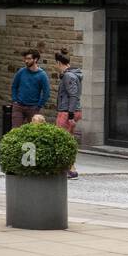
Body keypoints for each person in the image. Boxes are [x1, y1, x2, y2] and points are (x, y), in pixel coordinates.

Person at [54, 50, 83, 179]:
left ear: (59, 63)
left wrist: (70, 116)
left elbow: (73, 95)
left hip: (67, 112)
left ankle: (69, 169)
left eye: (56, 64)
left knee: (61, 140)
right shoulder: (71, 75)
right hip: (70, 111)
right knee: (68, 140)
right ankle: (70, 168)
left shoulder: (68, 76)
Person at [10, 49, 50, 127]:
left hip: (33, 108)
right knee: (15, 131)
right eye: (25, 59)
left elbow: (46, 92)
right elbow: (14, 86)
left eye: (29, 59)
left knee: (33, 132)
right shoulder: (21, 72)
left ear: (35, 59)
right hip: (19, 107)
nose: (26, 61)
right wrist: (15, 100)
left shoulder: (42, 75)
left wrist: (38, 106)